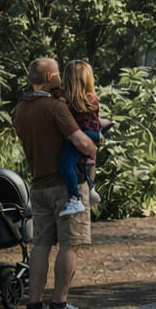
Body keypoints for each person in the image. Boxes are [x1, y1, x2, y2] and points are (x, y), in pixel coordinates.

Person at [13, 56, 97, 309]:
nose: (61, 77)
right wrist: (95, 146)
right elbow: (81, 142)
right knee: (69, 246)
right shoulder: (54, 108)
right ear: (50, 78)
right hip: (66, 185)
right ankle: (59, 305)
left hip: (38, 185)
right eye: (58, 73)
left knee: (41, 245)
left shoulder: (19, 110)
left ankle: (34, 306)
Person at [55, 60, 103, 217]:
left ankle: (75, 199)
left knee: (66, 163)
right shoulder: (92, 98)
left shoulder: (71, 100)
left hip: (83, 135)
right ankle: (92, 188)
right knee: (86, 159)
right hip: (93, 134)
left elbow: (60, 97)